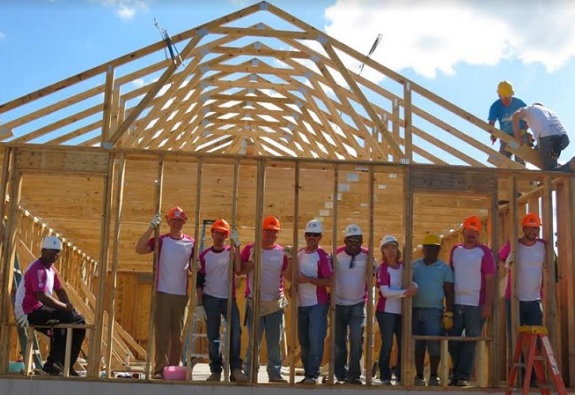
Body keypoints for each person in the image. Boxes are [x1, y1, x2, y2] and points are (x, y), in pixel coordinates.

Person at [135, 206, 194, 379]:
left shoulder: (191, 242)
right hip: (162, 291)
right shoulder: (161, 240)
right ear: (168, 222)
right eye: (174, 220)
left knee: (177, 335)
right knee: (161, 334)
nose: (177, 223)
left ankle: (173, 370)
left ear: (184, 222)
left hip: (181, 295)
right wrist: (151, 228)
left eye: (180, 220)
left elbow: (196, 265)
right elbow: (139, 249)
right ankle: (160, 369)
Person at [14, 235, 86, 376]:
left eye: (58, 251)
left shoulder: (51, 269)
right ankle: (52, 364)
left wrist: (69, 306)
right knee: (63, 319)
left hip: (39, 308)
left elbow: (60, 290)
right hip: (28, 311)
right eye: (52, 251)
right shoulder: (37, 269)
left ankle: (65, 365)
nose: (55, 254)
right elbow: (43, 297)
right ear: (43, 250)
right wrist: (65, 308)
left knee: (80, 322)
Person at [197, 219, 248, 383]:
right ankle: (216, 370)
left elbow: (239, 270)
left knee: (235, 332)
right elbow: (199, 281)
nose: (220, 236)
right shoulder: (204, 255)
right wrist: (199, 304)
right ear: (212, 234)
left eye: (223, 234)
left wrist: (238, 246)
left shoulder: (231, 252)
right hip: (210, 298)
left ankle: (235, 369)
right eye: (217, 233)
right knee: (213, 336)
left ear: (227, 236)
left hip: (228, 298)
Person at [240, 216, 290, 383]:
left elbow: (288, 276)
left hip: (275, 303)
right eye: (267, 231)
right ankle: (249, 373)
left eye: (274, 232)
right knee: (253, 342)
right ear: (261, 232)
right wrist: (252, 261)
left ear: (278, 234)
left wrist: (291, 260)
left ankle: (274, 373)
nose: (270, 235)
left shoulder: (281, 253)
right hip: (254, 302)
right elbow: (240, 271)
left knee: (274, 342)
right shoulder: (250, 249)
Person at [448, 216, 495, 387]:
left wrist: (488, 304)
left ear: (479, 234)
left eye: (475, 232)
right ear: (463, 232)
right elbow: (450, 276)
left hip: (476, 303)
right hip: (457, 302)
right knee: (452, 339)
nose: (471, 235)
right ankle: (456, 372)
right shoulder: (455, 250)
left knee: (471, 339)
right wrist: (448, 303)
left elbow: (490, 279)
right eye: (469, 231)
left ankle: (462, 376)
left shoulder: (484, 252)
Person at [498, 213, 545, 385]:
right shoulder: (514, 244)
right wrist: (507, 264)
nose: (532, 231)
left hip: (534, 300)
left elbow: (551, 268)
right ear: (523, 228)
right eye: (529, 228)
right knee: (516, 339)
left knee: (535, 340)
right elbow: (499, 259)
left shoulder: (543, 246)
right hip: (514, 299)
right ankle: (517, 378)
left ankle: (532, 377)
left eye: (535, 228)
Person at [411, 233, 454, 387]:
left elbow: (449, 292)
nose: (431, 251)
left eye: (434, 248)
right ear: (423, 249)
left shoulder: (444, 268)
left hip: (434, 312)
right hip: (415, 310)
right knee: (418, 345)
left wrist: (449, 313)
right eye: (428, 248)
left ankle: (434, 376)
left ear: (439, 250)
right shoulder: (414, 266)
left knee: (434, 344)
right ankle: (419, 376)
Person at [375, 235, 417, 385]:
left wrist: (414, 287)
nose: (390, 251)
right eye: (387, 248)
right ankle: (385, 374)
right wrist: (406, 292)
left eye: (393, 247)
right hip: (386, 311)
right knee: (387, 343)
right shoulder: (382, 269)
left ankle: (400, 374)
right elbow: (385, 292)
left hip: (401, 312)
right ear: (383, 251)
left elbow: (411, 282)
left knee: (402, 342)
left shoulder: (403, 267)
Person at [296, 219, 334, 384]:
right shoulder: (299, 254)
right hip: (302, 304)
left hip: (317, 304)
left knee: (316, 339)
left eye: (315, 235)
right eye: (309, 234)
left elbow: (330, 281)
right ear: (305, 235)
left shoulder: (322, 256)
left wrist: (308, 280)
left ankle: (313, 374)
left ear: (320, 237)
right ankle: (308, 374)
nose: (312, 237)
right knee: (304, 341)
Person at [333, 224, 370, 385]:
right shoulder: (336, 254)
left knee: (356, 338)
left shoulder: (368, 256)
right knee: (338, 340)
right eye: (351, 240)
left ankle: (354, 374)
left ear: (361, 241)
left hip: (358, 303)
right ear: (345, 241)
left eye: (357, 240)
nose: (354, 243)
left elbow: (373, 278)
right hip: (338, 303)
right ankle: (340, 373)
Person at [512, 103, 572, 171]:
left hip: (548, 138)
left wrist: (518, 137)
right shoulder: (548, 112)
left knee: (550, 170)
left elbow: (515, 116)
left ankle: (570, 166)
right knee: (541, 154)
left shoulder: (530, 108)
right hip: (563, 139)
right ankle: (566, 168)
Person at [488, 80, 529, 165]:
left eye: (509, 97)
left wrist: (525, 129)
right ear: (499, 96)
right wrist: (493, 134)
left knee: (520, 158)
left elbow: (529, 117)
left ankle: (521, 178)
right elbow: (491, 123)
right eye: (504, 98)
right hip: (505, 136)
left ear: (512, 94)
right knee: (503, 159)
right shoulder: (495, 106)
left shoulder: (519, 103)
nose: (507, 100)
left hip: (520, 134)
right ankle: (503, 177)